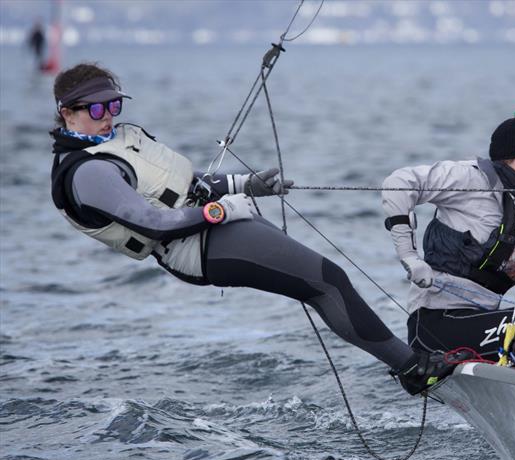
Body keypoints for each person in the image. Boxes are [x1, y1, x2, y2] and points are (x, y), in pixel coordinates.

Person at [50, 62, 433, 388]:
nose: (109, 117)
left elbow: (182, 183)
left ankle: (413, 361)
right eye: (96, 110)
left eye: (113, 105)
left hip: (213, 228)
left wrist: (246, 185)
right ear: (68, 113)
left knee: (324, 282)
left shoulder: (116, 141)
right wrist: (219, 212)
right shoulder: (88, 172)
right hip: (194, 248)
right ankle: (414, 369)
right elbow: (154, 224)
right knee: (327, 282)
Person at [382, 103, 515, 394]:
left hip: (479, 323)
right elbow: (398, 183)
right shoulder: (472, 178)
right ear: (507, 160)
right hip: (437, 327)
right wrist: (409, 257)